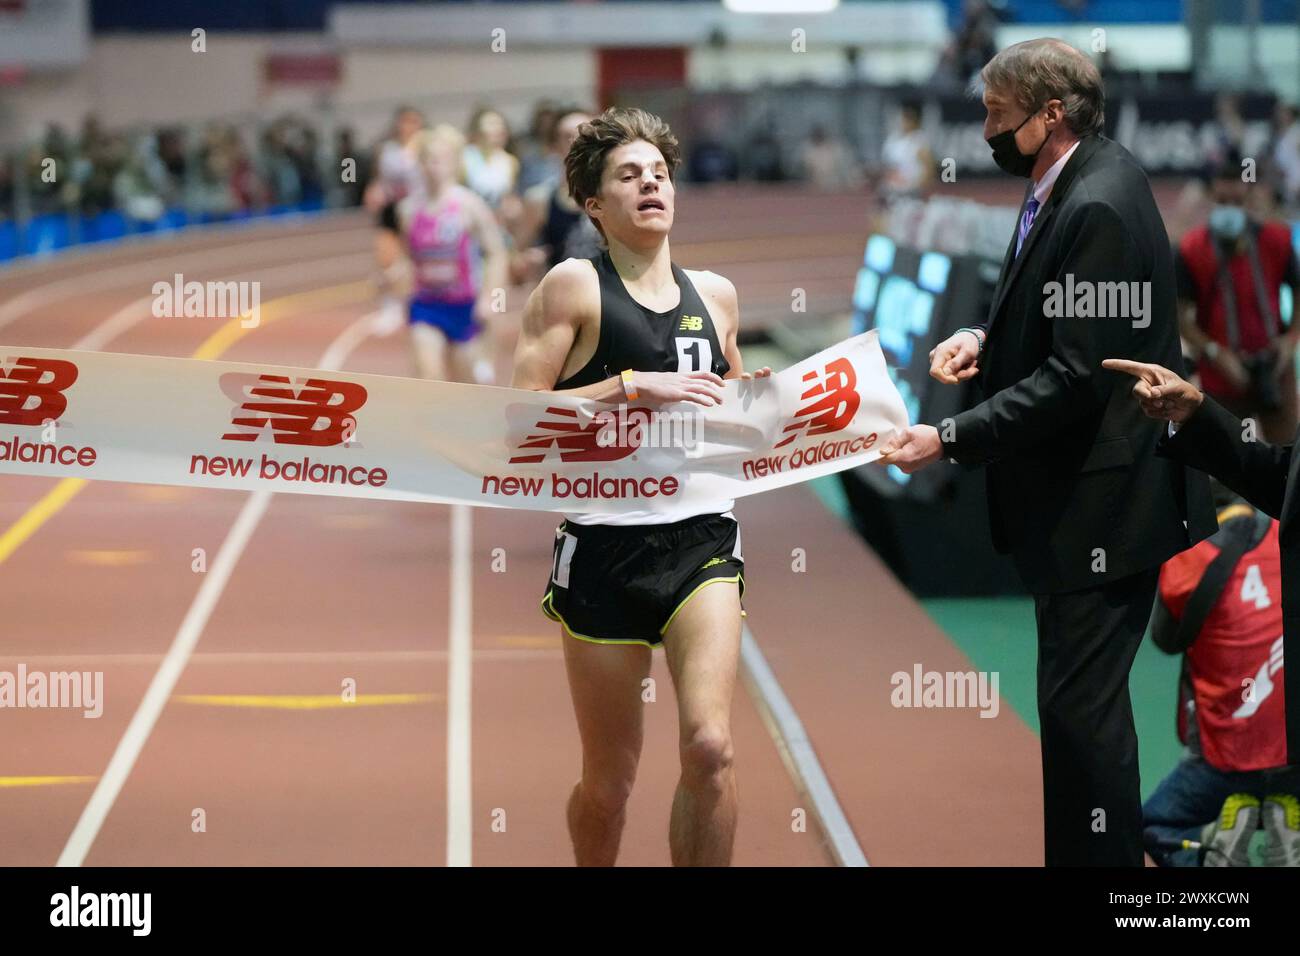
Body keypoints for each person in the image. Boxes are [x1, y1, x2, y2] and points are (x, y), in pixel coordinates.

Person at [878, 38, 1216, 866]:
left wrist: (950, 434)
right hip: (1083, 507)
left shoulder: (1098, 200)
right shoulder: (1076, 179)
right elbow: (1064, 323)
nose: (986, 130)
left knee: (1085, 723)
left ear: (1050, 114)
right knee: (1074, 718)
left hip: (1104, 511)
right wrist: (984, 339)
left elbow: (1075, 377)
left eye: (997, 114)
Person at [509, 106, 771, 867]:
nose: (650, 184)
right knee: (610, 783)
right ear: (594, 205)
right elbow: (518, 420)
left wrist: (761, 400)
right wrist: (628, 386)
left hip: (701, 540)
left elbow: (733, 397)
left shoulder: (715, 294)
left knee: (711, 746)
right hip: (602, 546)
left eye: (658, 173)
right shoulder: (573, 288)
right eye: (629, 176)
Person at [1143, 479, 1300, 867]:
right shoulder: (1289, 538)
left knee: (1152, 826)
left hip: (1224, 766)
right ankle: (1288, 822)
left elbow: (1164, 640)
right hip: (1294, 761)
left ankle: (1211, 847)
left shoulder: (1188, 558)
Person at [1174, 151, 1300, 444]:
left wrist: (1290, 339)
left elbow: (1297, 287)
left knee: (1288, 460)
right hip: (1221, 379)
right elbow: (1181, 314)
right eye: (1222, 203)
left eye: (1237, 202)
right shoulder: (1191, 249)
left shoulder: (1276, 239)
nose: (1230, 209)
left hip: (1274, 372)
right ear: (1210, 196)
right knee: (1223, 466)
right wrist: (1216, 354)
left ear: (1250, 194)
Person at [388, 125, 507, 384]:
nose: (432, 166)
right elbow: (408, 256)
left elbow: (496, 252)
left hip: (463, 306)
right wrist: (397, 274)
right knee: (428, 375)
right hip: (426, 304)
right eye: (427, 159)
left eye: (439, 159)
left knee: (467, 385)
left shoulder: (469, 205)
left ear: (454, 163)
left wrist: (491, 298)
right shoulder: (408, 210)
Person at [365, 105, 426, 327]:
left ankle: (410, 304)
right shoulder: (387, 150)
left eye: (414, 121)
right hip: (391, 209)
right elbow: (378, 177)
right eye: (405, 121)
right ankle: (388, 306)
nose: (409, 126)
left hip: (417, 212)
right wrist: (374, 189)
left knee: (411, 262)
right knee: (385, 258)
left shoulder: (425, 149)